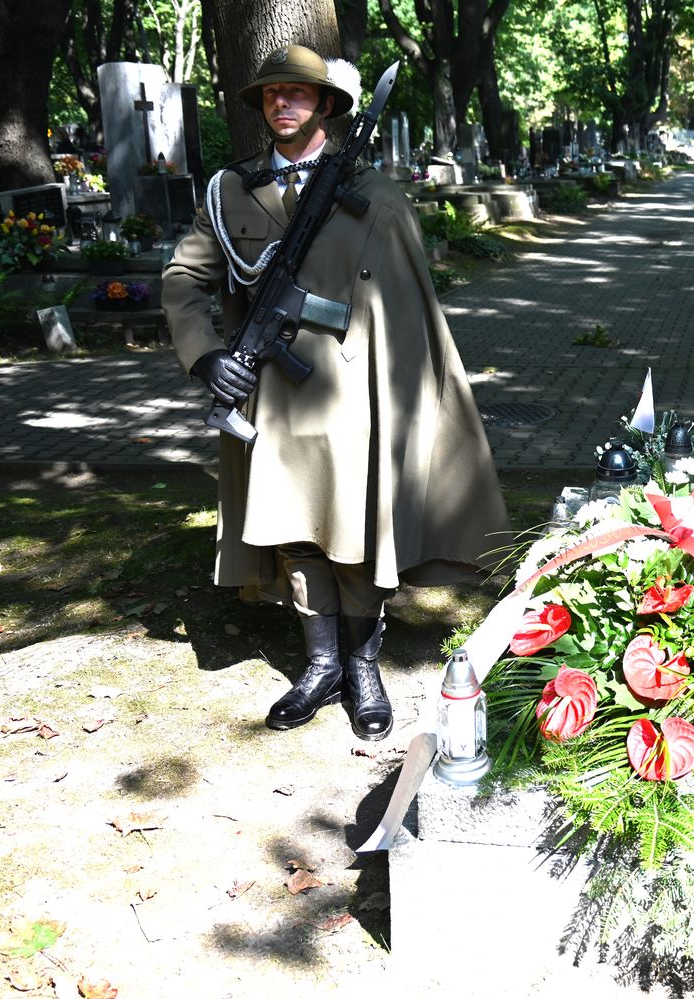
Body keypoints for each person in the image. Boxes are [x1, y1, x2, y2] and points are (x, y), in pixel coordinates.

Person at [162, 45, 510, 742]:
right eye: (272, 94)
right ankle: (320, 665)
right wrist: (206, 357)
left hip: (354, 395)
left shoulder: (372, 194)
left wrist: (400, 403)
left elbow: (406, 309)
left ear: (325, 104)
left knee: (353, 534)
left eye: (297, 93)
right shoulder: (231, 191)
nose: (282, 103)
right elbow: (183, 277)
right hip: (270, 393)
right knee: (296, 535)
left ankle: (362, 664)